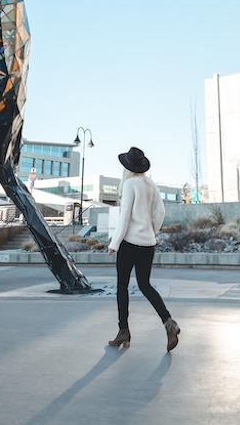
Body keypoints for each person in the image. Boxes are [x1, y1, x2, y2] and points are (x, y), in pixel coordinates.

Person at [106, 147, 179, 351]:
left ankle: (123, 331)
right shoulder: (151, 184)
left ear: (127, 167)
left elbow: (125, 216)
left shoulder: (130, 184)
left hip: (129, 244)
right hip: (148, 245)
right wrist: (150, 232)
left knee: (122, 287)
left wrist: (114, 244)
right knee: (145, 285)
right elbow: (161, 213)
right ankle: (168, 322)